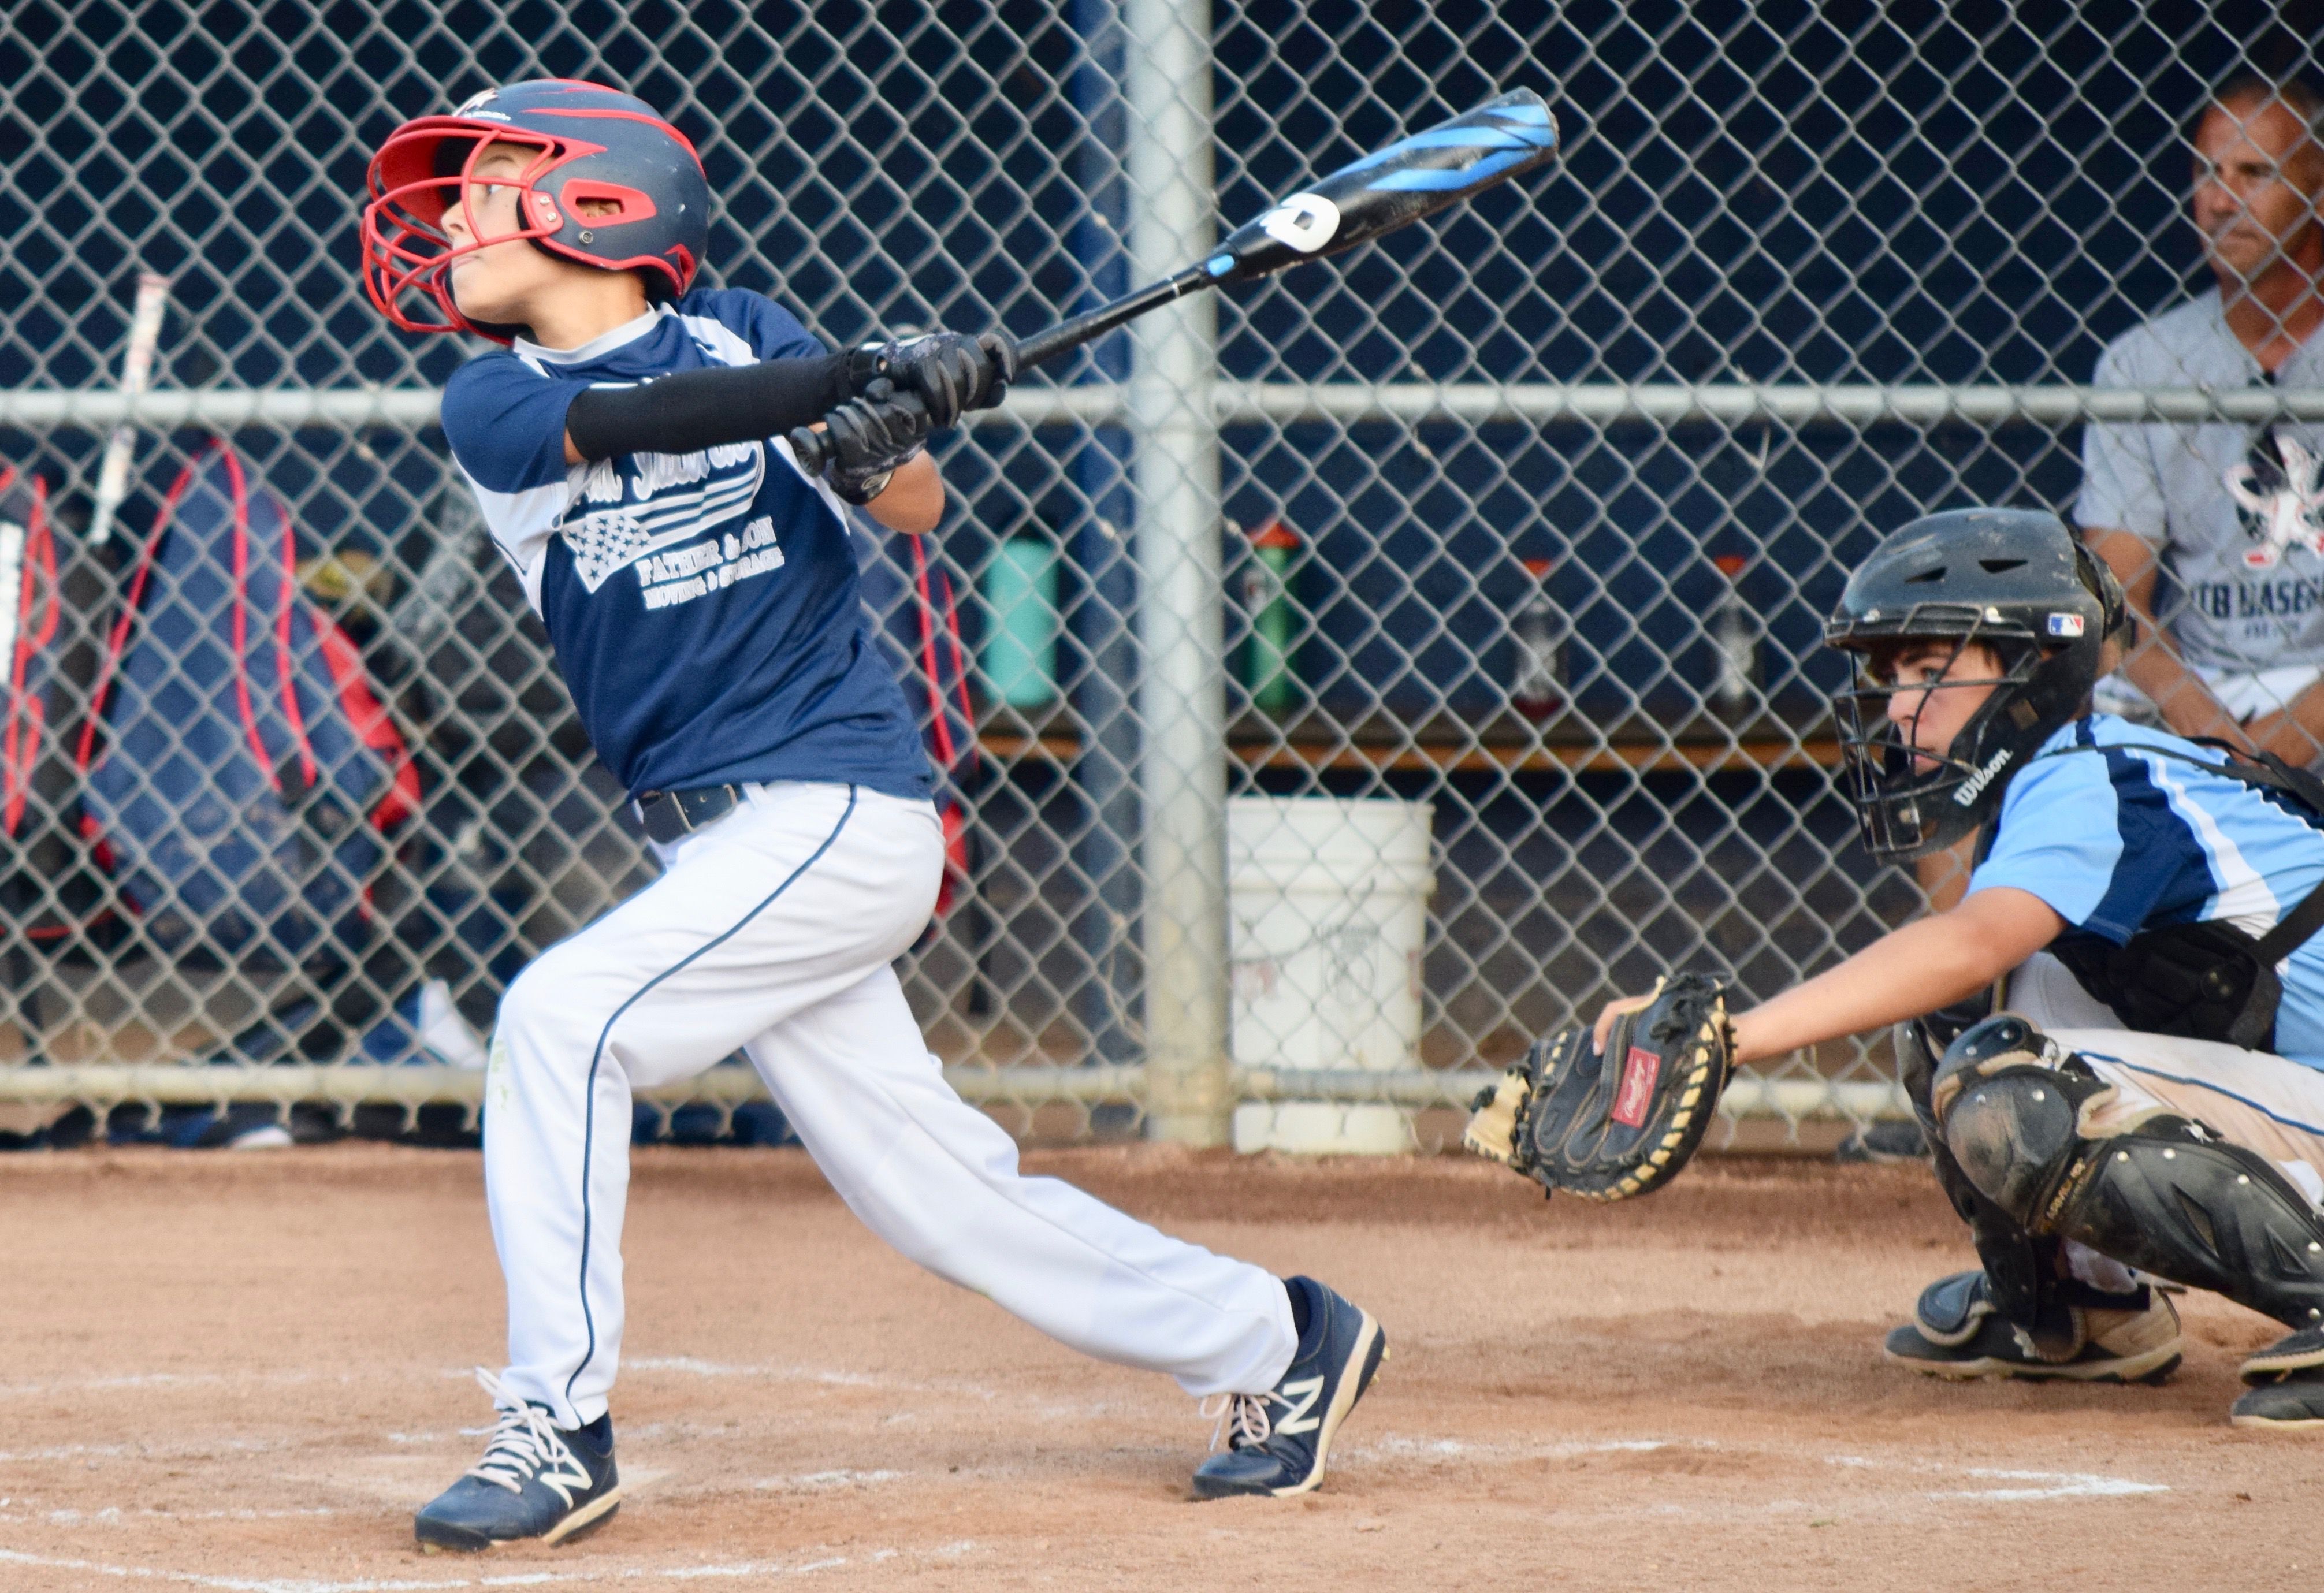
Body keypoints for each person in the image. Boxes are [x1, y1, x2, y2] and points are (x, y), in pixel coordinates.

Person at [358, 80, 1385, 1552]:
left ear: (597, 198)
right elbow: (651, 414)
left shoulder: (750, 327)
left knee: (560, 1020)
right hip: (713, 844)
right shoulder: (495, 399)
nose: (449, 213)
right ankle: (1273, 1338)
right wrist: (851, 375)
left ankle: (556, 1424)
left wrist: (875, 431)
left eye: (484, 180)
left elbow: (910, 501)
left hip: (836, 809)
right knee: (934, 1195)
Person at [1589, 504, 2324, 1428]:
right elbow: (1967, 969)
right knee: (1958, 1025)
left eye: (1930, 670)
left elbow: (1965, 940)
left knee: (2011, 1088)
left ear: (2033, 665)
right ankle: (2086, 1310)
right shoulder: (2059, 780)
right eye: (1891, 676)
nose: (1898, 707)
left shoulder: (2088, 774)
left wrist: (1729, 1040)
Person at [2080, 73, 2324, 764]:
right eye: (2207, 172)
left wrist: (2282, 744)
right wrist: (2200, 718)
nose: (2220, 200)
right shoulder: (2142, 363)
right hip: (2198, 689)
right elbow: (2115, 599)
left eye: (2255, 173)